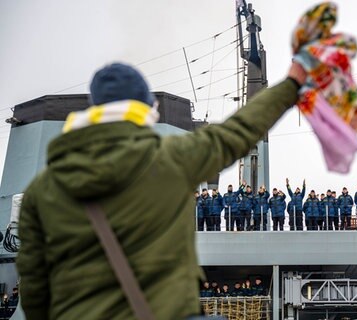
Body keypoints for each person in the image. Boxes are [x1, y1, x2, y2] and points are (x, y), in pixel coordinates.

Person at [16, 61, 306, 319]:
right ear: (145, 109)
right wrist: (291, 84)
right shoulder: (172, 158)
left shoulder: (40, 192)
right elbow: (238, 131)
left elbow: (33, 289)